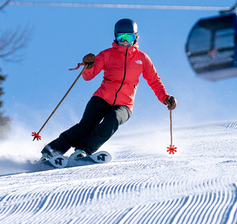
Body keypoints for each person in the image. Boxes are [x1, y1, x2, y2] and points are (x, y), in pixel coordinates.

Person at [40, 18, 177, 161]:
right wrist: (89, 66)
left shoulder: (142, 58)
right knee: (86, 126)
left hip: (124, 104)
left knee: (112, 121)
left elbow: (154, 80)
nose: (124, 41)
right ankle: (51, 151)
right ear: (115, 37)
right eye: (121, 37)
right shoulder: (107, 54)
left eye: (128, 37)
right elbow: (89, 76)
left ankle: (83, 150)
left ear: (136, 37)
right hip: (102, 98)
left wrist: (165, 98)